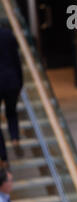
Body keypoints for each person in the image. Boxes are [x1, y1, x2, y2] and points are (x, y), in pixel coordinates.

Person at [0, 21, 23, 168]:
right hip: (11, 80)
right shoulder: (8, 34)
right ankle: (15, 137)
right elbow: (17, 60)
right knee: (12, 112)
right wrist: (20, 82)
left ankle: (3, 157)